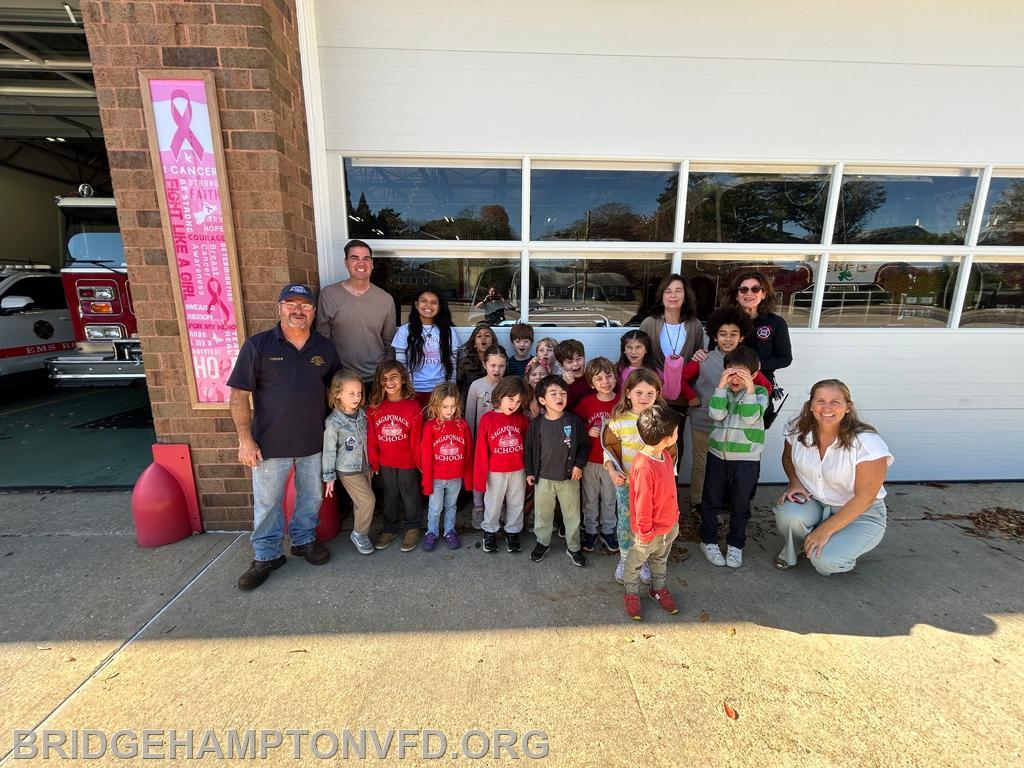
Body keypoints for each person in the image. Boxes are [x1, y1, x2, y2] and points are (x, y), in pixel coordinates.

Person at [228, 283, 340, 590]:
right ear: (279, 308)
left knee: (312, 496)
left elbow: (336, 390)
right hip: (269, 443)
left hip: (313, 440)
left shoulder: (325, 347)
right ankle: (267, 555)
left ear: (314, 312)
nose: (298, 311)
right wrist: (244, 439)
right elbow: (238, 395)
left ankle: (303, 541)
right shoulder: (259, 345)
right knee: (267, 503)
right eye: (291, 304)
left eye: (305, 306)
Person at [773, 379, 893, 575]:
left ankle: (831, 544)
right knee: (789, 514)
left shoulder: (867, 442)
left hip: (861, 512)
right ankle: (795, 547)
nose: (826, 407)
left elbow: (866, 498)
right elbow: (788, 456)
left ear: (848, 407)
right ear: (810, 405)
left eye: (835, 402)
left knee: (826, 561)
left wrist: (825, 530)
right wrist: (794, 482)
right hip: (816, 501)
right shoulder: (797, 429)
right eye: (820, 400)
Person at [682, 307, 771, 513]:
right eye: (723, 334)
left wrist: (756, 400)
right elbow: (681, 379)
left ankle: (720, 501)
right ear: (714, 336)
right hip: (705, 420)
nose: (728, 339)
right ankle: (697, 501)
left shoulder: (748, 361)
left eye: (733, 334)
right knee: (702, 464)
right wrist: (692, 397)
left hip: (737, 426)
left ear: (741, 337)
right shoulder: (704, 358)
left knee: (723, 468)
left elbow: (765, 386)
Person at [699, 347, 769, 569]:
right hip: (717, 455)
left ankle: (736, 544)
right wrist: (720, 387)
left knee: (741, 503)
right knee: (711, 500)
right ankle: (708, 540)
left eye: (743, 374)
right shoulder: (722, 392)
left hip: (746, 459)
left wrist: (749, 390)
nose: (735, 378)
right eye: (731, 372)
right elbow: (716, 414)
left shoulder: (759, 393)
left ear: (754, 375)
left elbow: (750, 418)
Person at [602, 369, 674, 585]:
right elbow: (608, 450)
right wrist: (613, 471)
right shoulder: (619, 421)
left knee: (649, 523)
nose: (644, 398)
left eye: (650, 394)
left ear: (658, 394)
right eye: (639, 393)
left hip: (652, 487)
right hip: (626, 484)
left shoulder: (662, 421)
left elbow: (670, 452)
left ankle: (643, 560)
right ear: (628, 394)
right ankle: (625, 560)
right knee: (625, 523)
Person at [639, 274, 705, 475]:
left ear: (686, 296)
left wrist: (700, 356)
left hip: (681, 398)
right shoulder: (650, 323)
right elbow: (641, 358)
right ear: (661, 296)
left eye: (678, 291)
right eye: (668, 291)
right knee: (649, 443)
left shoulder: (694, 325)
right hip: (653, 396)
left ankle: (671, 490)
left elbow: (697, 360)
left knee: (675, 444)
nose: (673, 295)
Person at [623, 404, 682, 621]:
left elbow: (670, 490)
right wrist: (645, 532)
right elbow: (642, 503)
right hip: (647, 533)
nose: (678, 433)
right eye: (676, 430)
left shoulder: (665, 456)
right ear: (667, 437)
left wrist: (674, 516)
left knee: (660, 561)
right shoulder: (644, 466)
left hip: (668, 527)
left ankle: (658, 588)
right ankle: (631, 593)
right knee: (635, 563)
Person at [525, 375, 590, 566]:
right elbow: (529, 450)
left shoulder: (573, 420)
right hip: (543, 479)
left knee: (572, 515)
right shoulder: (537, 424)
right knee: (543, 514)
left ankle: (574, 547)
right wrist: (530, 471)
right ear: (542, 400)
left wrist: (579, 464)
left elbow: (584, 446)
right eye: (553, 394)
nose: (559, 397)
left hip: (568, 478)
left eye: (562, 393)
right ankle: (542, 542)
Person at [316, 239, 397, 385]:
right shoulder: (328, 295)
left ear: (372, 264)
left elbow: (389, 344)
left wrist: (384, 375)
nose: (361, 263)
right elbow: (322, 340)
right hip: (342, 379)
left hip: (376, 380)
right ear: (345, 262)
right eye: (355, 258)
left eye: (366, 258)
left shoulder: (385, 300)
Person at [366, 360, 424, 552]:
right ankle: (389, 528)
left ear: (403, 380)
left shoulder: (412, 407)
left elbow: (416, 440)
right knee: (389, 495)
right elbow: (372, 438)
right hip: (385, 462)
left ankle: (413, 527)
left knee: (410, 494)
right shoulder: (375, 408)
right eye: (384, 379)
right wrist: (374, 462)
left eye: (394, 377)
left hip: (407, 461)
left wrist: (418, 462)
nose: (389, 382)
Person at [724, 271, 793, 428]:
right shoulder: (726, 320)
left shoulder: (776, 323)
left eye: (755, 289)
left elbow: (785, 358)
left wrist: (758, 365)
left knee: (754, 432)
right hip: (730, 385)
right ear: (736, 295)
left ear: (764, 294)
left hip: (761, 387)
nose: (749, 293)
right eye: (743, 289)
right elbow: (715, 350)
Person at [321, 371, 375, 556]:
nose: (356, 397)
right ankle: (359, 534)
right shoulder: (334, 422)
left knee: (361, 502)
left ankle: (360, 527)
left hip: (366, 464)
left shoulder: (364, 414)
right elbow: (329, 451)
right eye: (351, 393)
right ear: (337, 394)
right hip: (347, 469)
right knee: (368, 501)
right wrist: (329, 477)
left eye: (359, 393)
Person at [474, 377, 530, 554]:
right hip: (495, 470)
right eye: (511, 399)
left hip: (518, 469)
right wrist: (481, 477)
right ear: (500, 395)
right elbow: (481, 450)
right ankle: (489, 531)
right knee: (493, 502)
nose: (514, 404)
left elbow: (528, 446)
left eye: (519, 401)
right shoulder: (487, 419)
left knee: (516, 502)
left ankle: (513, 531)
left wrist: (529, 470)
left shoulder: (521, 419)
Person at [573, 357, 620, 554]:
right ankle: (591, 530)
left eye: (608, 376)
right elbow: (575, 422)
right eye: (598, 378)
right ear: (592, 383)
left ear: (616, 378)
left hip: (613, 462)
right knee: (590, 498)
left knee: (610, 498)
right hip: (591, 460)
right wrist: (587, 429)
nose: (605, 382)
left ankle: (608, 531)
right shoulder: (587, 402)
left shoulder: (621, 402)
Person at [419, 383, 473, 552]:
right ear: (436, 406)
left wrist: (467, 476)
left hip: (455, 477)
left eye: (453, 406)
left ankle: (449, 530)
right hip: (436, 477)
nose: (449, 410)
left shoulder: (461, 425)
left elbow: (468, 451)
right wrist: (427, 479)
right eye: (445, 407)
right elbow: (426, 454)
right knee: (435, 507)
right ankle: (432, 532)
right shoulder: (430, 427)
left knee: (451, 505)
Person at [391, 287, 461, 408]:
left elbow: (453, 367)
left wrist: (451, 391)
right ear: (416, 304)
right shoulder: (404, 331)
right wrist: (404, 390)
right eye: (424, 301)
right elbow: (400, 366)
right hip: (412, 392)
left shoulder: (448, 332)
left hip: (440, 393)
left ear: (439, 307)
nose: (428, 305)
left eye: (434, 302)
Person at [465, 345, 508, 526]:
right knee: (479, 474)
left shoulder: (509, 385)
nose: (497, 370)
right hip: (480, 441)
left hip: (502, 442)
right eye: (493, 365)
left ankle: (501, 506)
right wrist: (472, 442)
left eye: (501, 365)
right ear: (485, 364)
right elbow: (470, 417)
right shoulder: (476, 386)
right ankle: (478, 506)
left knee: (501, 475)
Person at [456, 323, 496, 399]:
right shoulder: (465, 363)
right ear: (474, 343)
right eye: (479, 336)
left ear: (493, 342)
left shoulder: (499, 362)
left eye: (487, 336)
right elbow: (459, 388)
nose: (483, 338)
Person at [555, 339, 592, 410]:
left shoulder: (592, 377)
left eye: (578, 359)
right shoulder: (559, 384)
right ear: (562, 366)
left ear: (584, 358)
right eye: (569, 362)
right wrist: (564, 386)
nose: (575, 364)